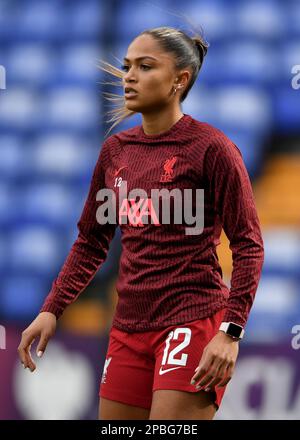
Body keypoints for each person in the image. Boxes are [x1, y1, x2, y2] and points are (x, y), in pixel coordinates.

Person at [18, 26, 264, 420]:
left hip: (192, 320)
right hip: (129, 328)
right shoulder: (115, 150)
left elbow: (249, 244)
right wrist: (52, 308)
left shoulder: (212, 149)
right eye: (127, 66)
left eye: (145, 66)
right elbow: (91, 241)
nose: (129, 76)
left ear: (179, 80)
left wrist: (230, 332)